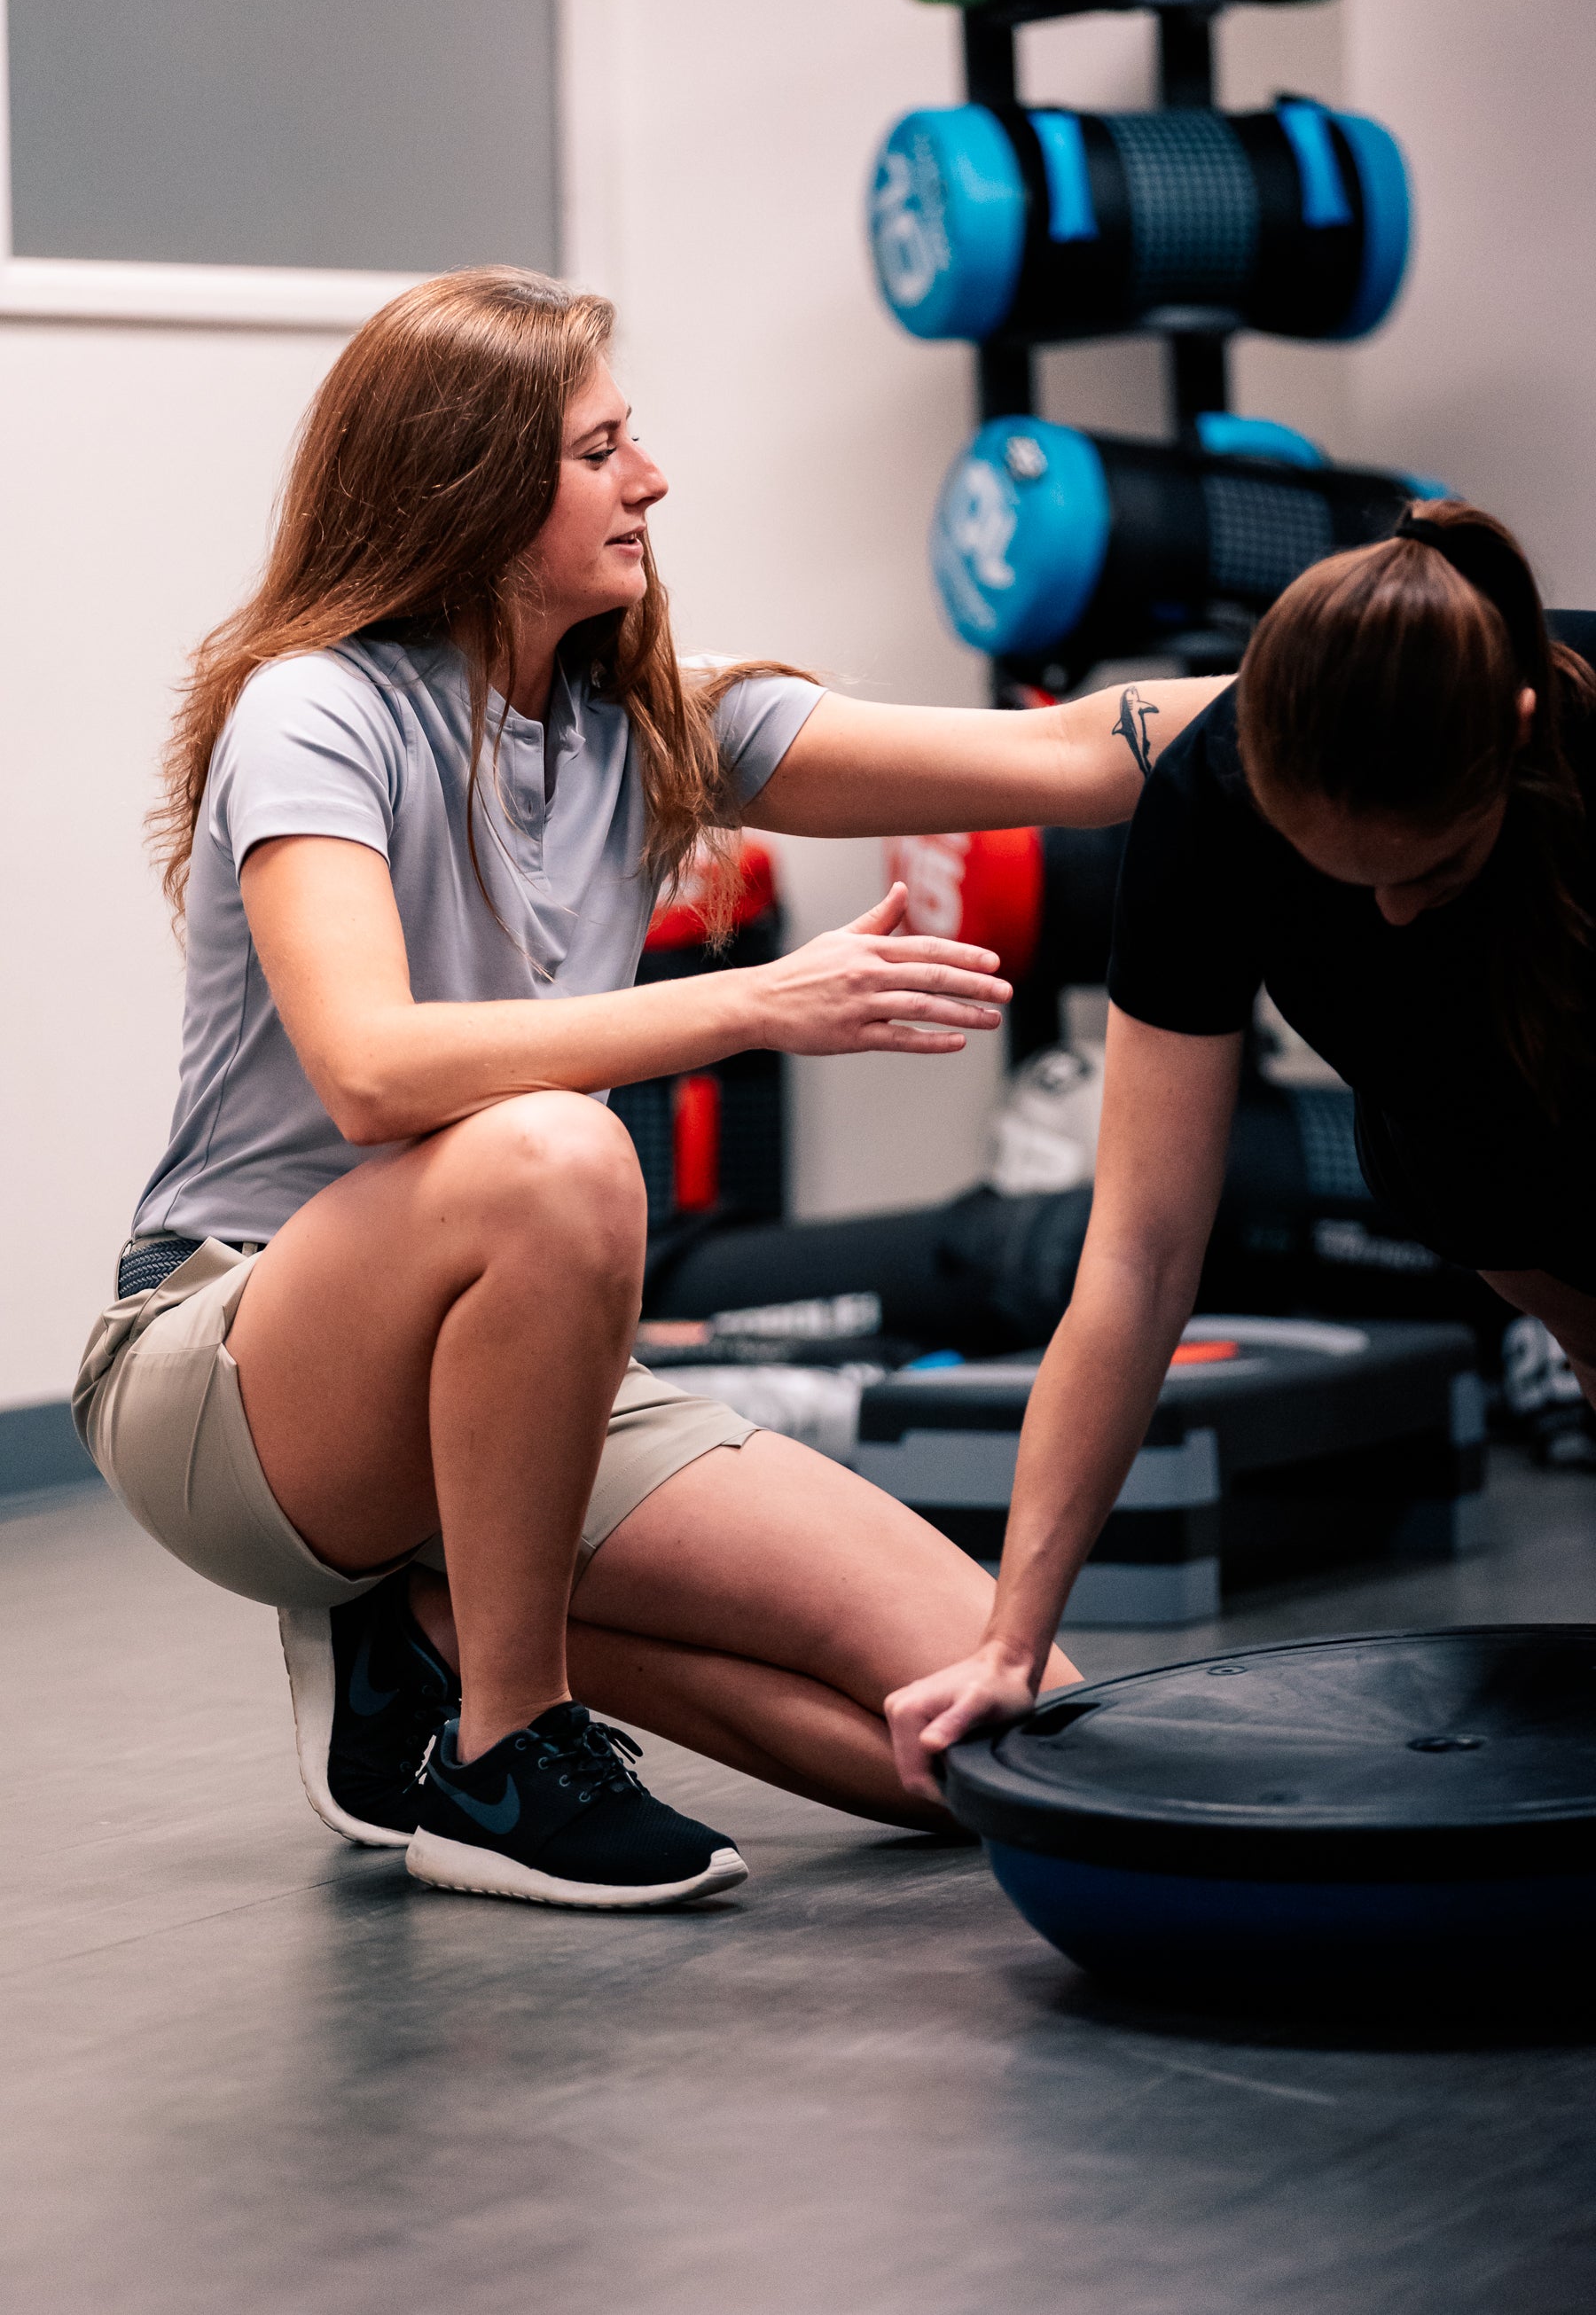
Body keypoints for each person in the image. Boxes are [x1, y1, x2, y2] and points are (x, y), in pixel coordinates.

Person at [74, 266, 1221, 1912]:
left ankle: (443, 1624)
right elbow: (373, 1070)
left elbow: (1079, 756)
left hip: (526, 1378)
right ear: (467, 491)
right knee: (554, 1157)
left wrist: (1402, 682)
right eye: (599, 449)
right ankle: (499, 1754)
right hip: (237, 1370)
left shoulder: (652, 722)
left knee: (1004, 1734)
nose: (652, 481)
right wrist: (756, 1002)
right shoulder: (316, 712)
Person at [887, 501, 1596, 1797]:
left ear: (1520, 738)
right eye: (1343, 880)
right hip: (1473, 1150)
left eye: (1432, 873)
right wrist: (1009, 1640)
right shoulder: (1208, 799)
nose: (1388, 915)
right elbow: (1142, 1252)